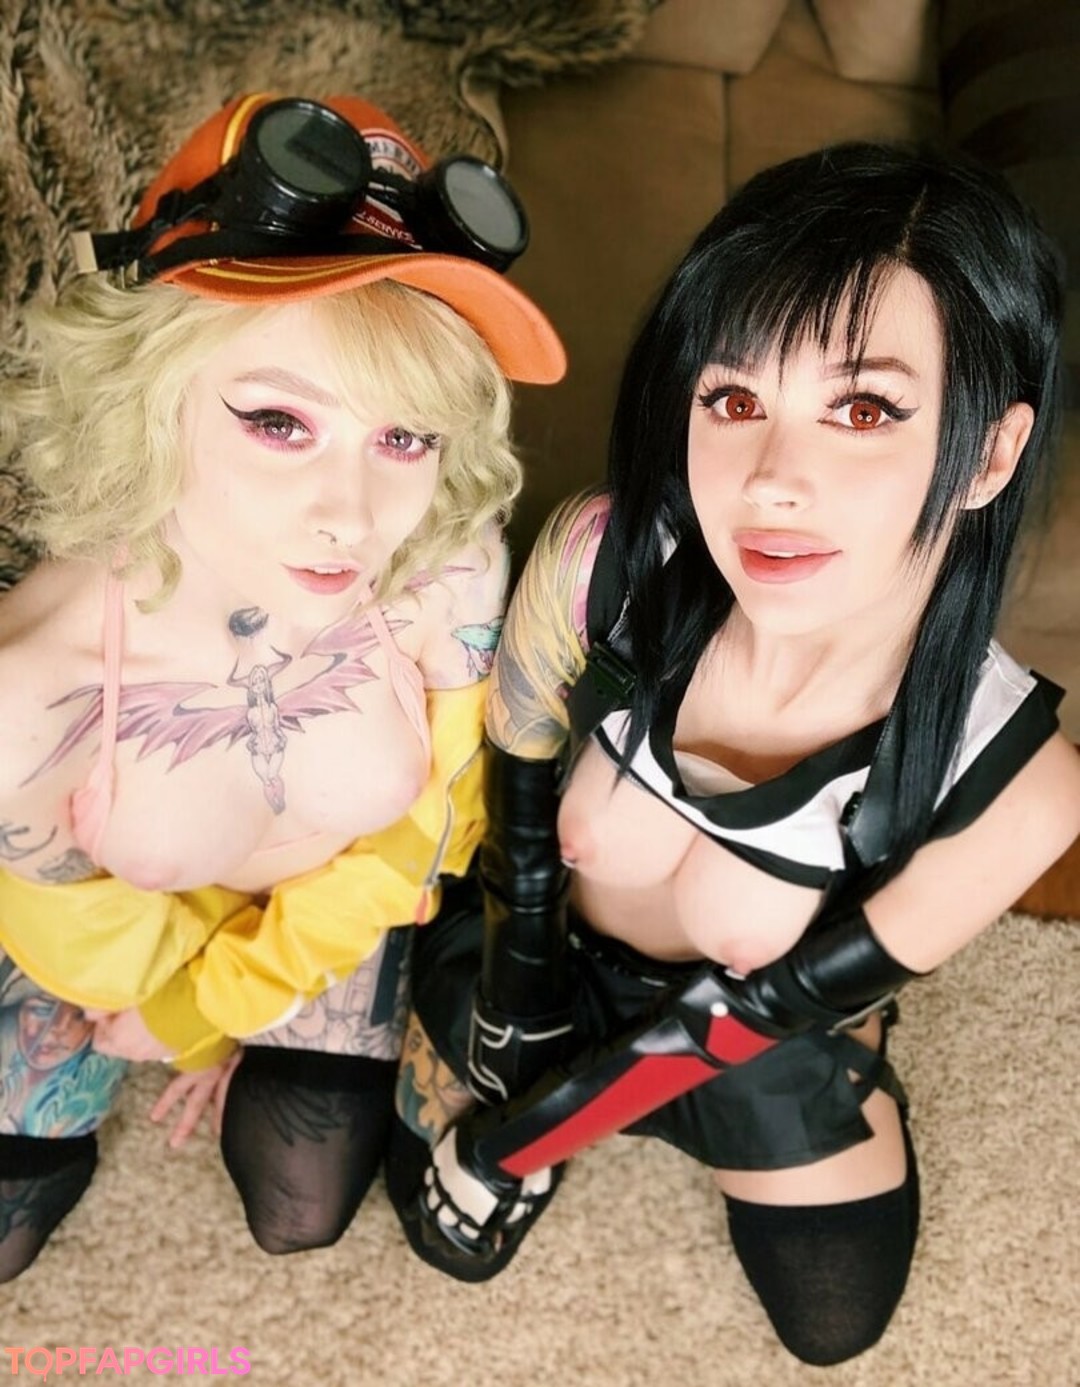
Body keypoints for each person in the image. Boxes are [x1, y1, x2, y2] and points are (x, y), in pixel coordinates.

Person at [388, 141, 1080, 1365]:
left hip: (747, 1029)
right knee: (403, 1230)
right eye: (735, 399)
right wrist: (518, 993)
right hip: (539, 957)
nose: (772, 483)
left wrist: (510, 1143)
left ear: (987, 453)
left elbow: (759, 1008)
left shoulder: (1018, 783)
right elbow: (519, 808)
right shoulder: (602, 560)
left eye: (862, 410)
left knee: (834, 1323)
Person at [0, 90, 564, 1280]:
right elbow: (90, 959)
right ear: (150, 388)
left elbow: (421, 838)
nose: (352, 517)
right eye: (278, 422)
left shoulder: (448, 559)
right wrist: (163, 1012)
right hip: (121, 938)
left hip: (334, 908)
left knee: (297, 1201)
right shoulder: (29, 704)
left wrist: (211, 1008)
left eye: (404, 438)